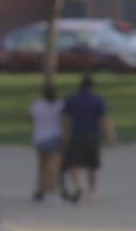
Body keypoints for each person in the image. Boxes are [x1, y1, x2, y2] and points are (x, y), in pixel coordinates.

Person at [59, 71, 110, 203]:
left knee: (75, 163)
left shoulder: (71, 99)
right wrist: (109, 136)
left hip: (76, 135)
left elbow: (66, 119)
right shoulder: (98, 100)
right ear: (92, 87)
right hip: (93, 135)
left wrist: (65, 135)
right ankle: (93, 193)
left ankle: (78, 186)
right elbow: (104, 119)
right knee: (94, 166)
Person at [29, 82, 65, 202]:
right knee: (54, 168)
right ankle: (52, 190)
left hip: (40, 138)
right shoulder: (60, 105)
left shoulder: (37, 105)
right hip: (55, 137)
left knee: (42, 167)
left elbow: (31, 118)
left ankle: (41, 190)